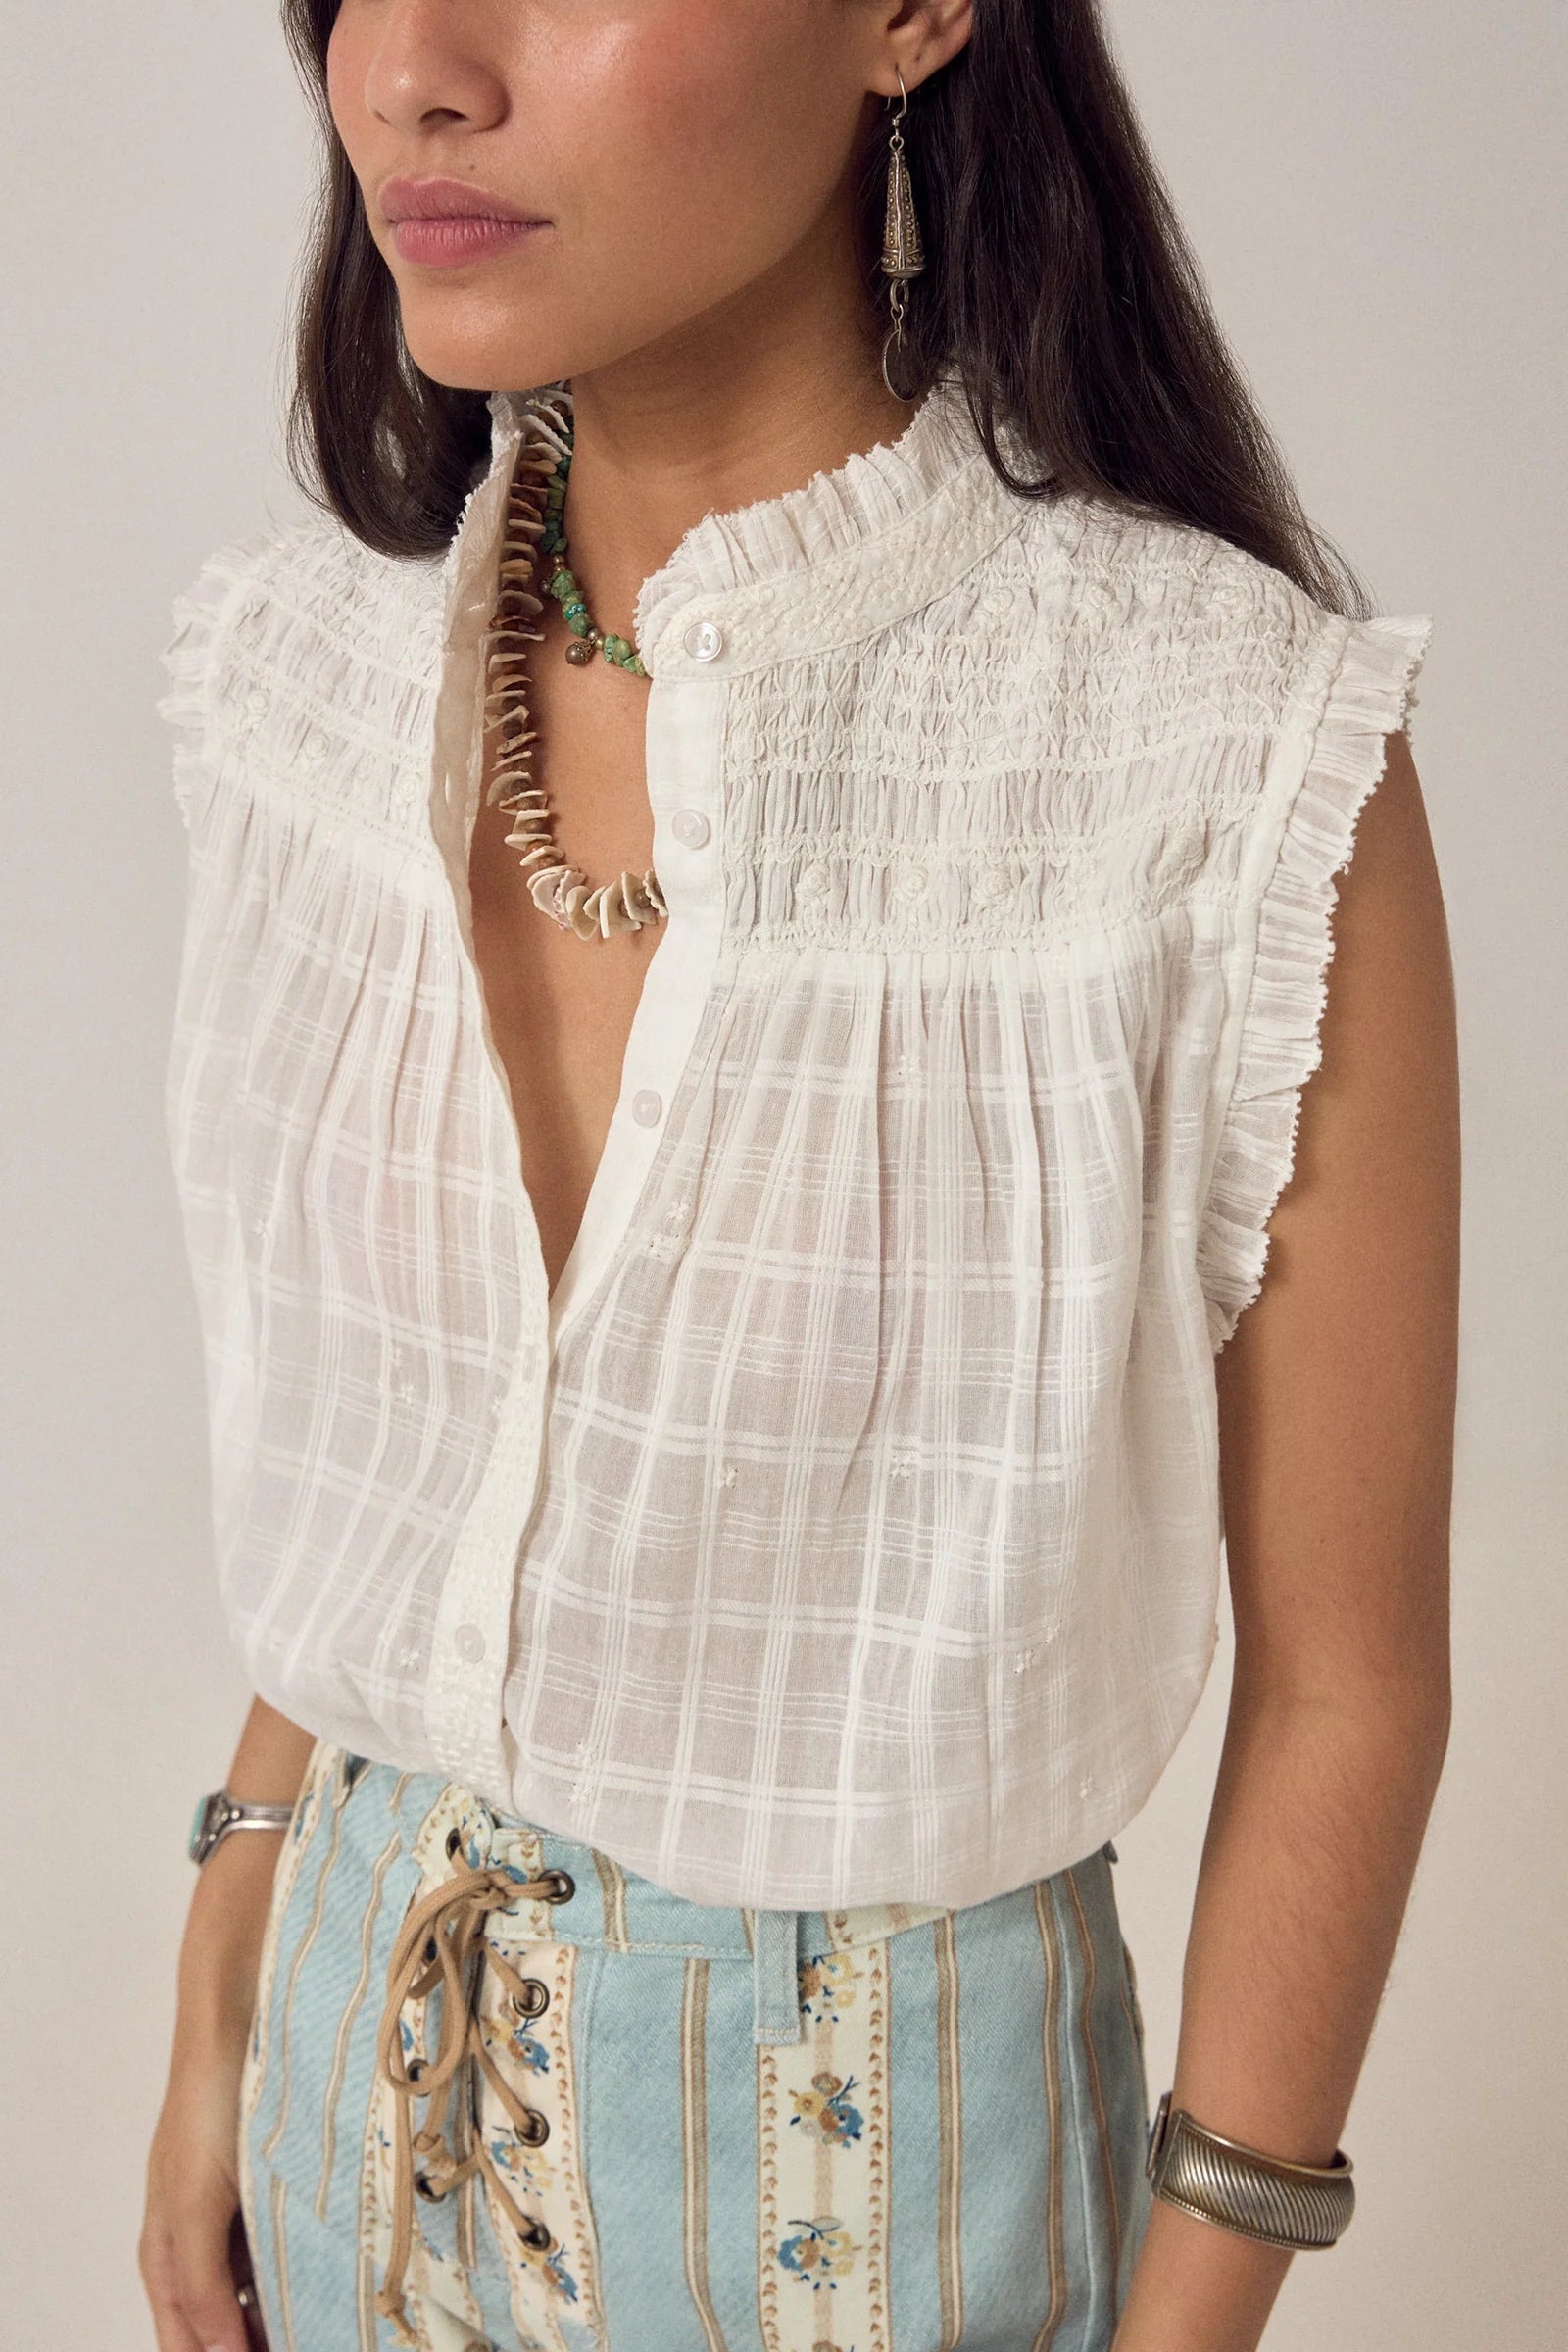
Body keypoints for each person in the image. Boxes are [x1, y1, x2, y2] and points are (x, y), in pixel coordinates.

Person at [139, 4, 1458, 2350]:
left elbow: (1343, 1684)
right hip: (330, 2143)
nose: (407, 75)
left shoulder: (1215, 758)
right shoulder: (301, 679)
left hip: (905, 2230)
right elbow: (406, 1469)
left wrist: (1186, 2315)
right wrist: (225, 1943)